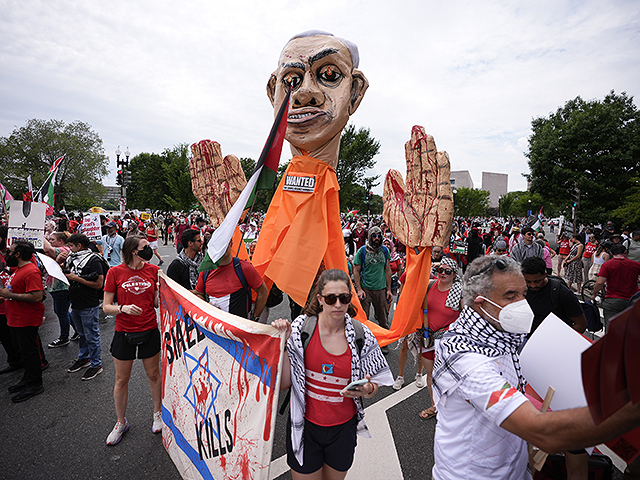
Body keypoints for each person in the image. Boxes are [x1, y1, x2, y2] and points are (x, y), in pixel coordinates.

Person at [431, 255, 640, 479]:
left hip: (513, 470)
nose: (522, 304)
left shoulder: (504, 336)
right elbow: (542, 432)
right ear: (479, 303)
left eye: (523, 294)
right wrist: (631, 406)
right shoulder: (466, 360)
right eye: (510, 296)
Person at [271, 269, 393, 480]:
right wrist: (282, 343)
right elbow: (283, 385)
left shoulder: (361, 334)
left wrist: (366, 389)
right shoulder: (301, 330)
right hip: (305, 428)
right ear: (320, 299)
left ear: (349, 299)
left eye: (344, 298)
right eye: (330, 298)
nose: (338, 304)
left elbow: (373, 387)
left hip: (342, 430)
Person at [102, 235, 162, 445]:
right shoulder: (114, 272)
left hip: (149, 329)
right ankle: (120, 422)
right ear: (134, 251)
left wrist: (161, 292)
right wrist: (122, 308)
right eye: (145, 247)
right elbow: (106, 306)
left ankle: (157, 413)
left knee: (153, 375)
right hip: (124, 332)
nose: (149, 250)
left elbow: (156, 303)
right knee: (121, 379)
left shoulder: (154, 271)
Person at [0, 241, 46, 402]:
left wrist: (9, 295)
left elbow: (37, 296)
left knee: (29, 352)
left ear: (18, 254)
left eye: (10, 251)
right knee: (22, 351)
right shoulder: (18, 270)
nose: (7, 254)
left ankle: (35, 383)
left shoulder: (31, 271)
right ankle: (27, 377)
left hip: (26, 319)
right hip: (15, 318)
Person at [418, 257, 462, 419]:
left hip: (449, 340)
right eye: (440, 270)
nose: (442, 273)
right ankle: (434, 405)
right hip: (428, 337)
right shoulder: (429, 284)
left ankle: (452, 409)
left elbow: (466, 317)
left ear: (454, 274)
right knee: (431, 374)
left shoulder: (460, 291)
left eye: (447, 271)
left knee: (450, 376)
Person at [64, 233, 106, 381]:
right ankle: (84, 358)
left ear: (79, 246)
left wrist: (77, 278)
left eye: (71, 246)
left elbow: (99, 284)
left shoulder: (93, 259)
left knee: (91, 335)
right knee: (81, 334)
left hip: (88, 303)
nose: (69, 249)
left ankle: (96, 364)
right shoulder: (71, 259)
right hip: (75, 303)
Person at [195, 240, 268, 320]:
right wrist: (206, 306)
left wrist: (255, 317)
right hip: (213, 327)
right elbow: (199, 294)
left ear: (231, 244)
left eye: (225, 243)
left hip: (238, 328)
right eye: (219, 244)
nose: (223, 247)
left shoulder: (244, 267)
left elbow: (262, 291)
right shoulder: (206, 270)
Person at [521, 256, 587, 335]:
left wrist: (560, 340)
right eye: (528, 281)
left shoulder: (562, 292)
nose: (533, 285)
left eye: (537, 281)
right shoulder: (520, 288)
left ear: (545, 274)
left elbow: (581, 324)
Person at [591, 243, 640, 331]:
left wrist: (594, 294)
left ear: (611, 253)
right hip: (632, 301)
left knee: (611, 330)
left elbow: (600, 283)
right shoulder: (635, 264)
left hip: (612, 301)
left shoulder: (607, 265)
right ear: (625, 252)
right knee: (629, 329)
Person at [353, 226, 392, 336]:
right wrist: (359, 289)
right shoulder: (362, 251)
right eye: (374, 236)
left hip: (381, 290)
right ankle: (363, 343)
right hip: (366, 289)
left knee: (383, 320)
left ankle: (383, 343)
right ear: (370, 237)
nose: (377, 238)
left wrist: (388, 289)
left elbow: (387, 270)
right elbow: (356, 271)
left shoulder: (385, 251)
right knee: (363, 319)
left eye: (379, 236)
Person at [43, 232, 79, 347]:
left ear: (60, 241)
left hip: (61, 287)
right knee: (62, 311)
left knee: (61, 312)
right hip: (55, 286)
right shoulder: (61, 249)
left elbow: (47, 248)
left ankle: (64, 337)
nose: (50, 241)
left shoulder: (63, 250)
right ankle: (77, 331)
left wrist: (36, 231)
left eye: (52, 239)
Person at [0, 226, 22, 373]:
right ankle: (14, 361)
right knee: (5, 337)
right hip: (1, 308)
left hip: (15, 305)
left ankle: (30, 368)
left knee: (20, 340)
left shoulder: (16, 255)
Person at [166, 228, 204, 293]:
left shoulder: (203, 260)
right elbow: (172, 291)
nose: (202, 242)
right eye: (199, 241)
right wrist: (194, 292)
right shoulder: (175, 266)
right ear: (190, 243)